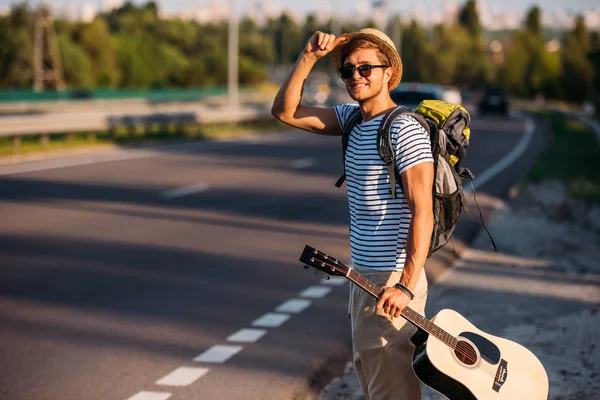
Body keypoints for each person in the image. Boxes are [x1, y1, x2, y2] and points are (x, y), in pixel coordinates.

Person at [271, 28, 434, 400]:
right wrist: (308, 57)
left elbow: (423, 210)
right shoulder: (351, 120)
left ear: (388, 72)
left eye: (365, 69)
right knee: (376, 385)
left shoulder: (404, 129)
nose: (355, 77)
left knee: (392, 390)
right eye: (347, 71)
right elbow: (284, 111)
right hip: (362, 279)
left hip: (392, 282)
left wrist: (406, 285)